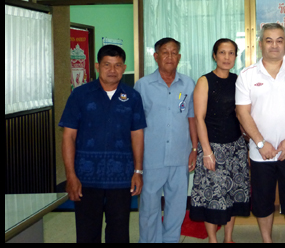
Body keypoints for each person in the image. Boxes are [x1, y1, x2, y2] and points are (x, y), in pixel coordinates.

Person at [235, 23, 285, 243]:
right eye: (269, 40)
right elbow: (242, 113)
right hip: (261, 153)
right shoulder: (247, 75)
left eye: (279, 40)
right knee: (262, 202)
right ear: (261, 44)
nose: (274, 45)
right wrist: (260, 143)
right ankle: (267, 240)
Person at [59, 45, 146, 243]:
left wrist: (138, 172)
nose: (112, 70)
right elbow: (68, 137)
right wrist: (71, 175)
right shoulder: (80, 95)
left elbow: (137, 135)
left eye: (117, 65)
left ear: (124, 68)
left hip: (121, 177)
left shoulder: (132, 97)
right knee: (87, 233)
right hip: (86, 178)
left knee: (119, 233)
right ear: (98, 66)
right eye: (107, 65)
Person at [134, 38, 198, 243]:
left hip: (180, 156)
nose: (169, 57)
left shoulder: (188, 83)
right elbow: (135, 126)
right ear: (156, 56)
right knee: (149, 209)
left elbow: (192, 118)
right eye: (164, 52)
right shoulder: (143, 85)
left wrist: (195, 148)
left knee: (176, 207)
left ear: (179, 57)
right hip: (151, 158)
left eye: (173, 53)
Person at [190, 39, 250, 243]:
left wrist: (247, 143)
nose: (227, 57)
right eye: (222, 53)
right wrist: (206, 151)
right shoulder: (204, 81)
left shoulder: (238, 80)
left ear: (235, 56)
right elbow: (199, 118)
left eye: (231, 53)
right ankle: (213, 240)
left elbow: (240, 114)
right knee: (212, 196)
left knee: (232, 193)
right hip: (213, 146)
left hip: (236, 146)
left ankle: (228, 238)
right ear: (214, 55)